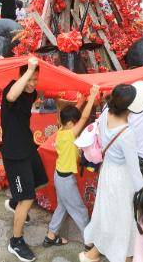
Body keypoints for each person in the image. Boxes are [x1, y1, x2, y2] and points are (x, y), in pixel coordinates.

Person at [80, 84, 143, 262]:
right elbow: (133, 167)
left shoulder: (106, 113)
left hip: (108, 171)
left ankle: (98, 253)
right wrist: (142, 191)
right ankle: (118, 254)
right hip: (122, 178)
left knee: (108, 212)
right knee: (123, 216)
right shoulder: (126, 132)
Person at [2, 57, 46, 262]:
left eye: (36, 79)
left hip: (27, 146)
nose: (32, 84)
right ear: (21, 76)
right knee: (27, 197)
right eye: (29, 79)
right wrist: (28, 71)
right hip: (14, 152)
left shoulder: (32, 92)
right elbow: (12, 96)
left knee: (39, 180)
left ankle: (14, 201)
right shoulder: (12, 89)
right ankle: (16, 242)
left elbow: (41, 92)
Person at [45, 85, 99, 247]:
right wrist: (93, 95)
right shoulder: (69, 134)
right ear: (70, 123)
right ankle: (90, 242)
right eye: (74, 123)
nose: (78, 125)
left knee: (62, 207)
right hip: (66, 180)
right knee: (80, 210)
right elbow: (83, 118)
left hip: (59, 176)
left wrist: (83, 99)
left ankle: (51, 235)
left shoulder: (61, 128)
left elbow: (73, 114)